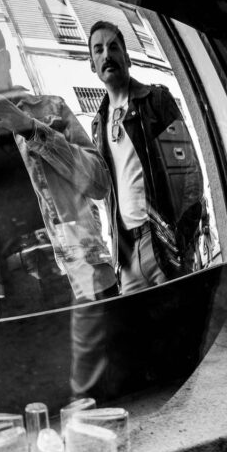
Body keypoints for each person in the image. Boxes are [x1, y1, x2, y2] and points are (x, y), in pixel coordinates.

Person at [0, 15, 117, 322]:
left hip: (78, 270)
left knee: (108, 365)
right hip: (9, 289)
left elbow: (99, 183)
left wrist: (30, 128)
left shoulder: (53, 110)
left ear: (5, 58)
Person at [87, 21, 205, 293]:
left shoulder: (156, 101)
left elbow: (190, 174)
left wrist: (182, 239)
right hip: (127, 258)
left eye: (113, 47)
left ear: (126, 57)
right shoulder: (98, 124)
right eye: (98, 50)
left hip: (163, 244)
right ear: (92, 64)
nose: (107, 55)